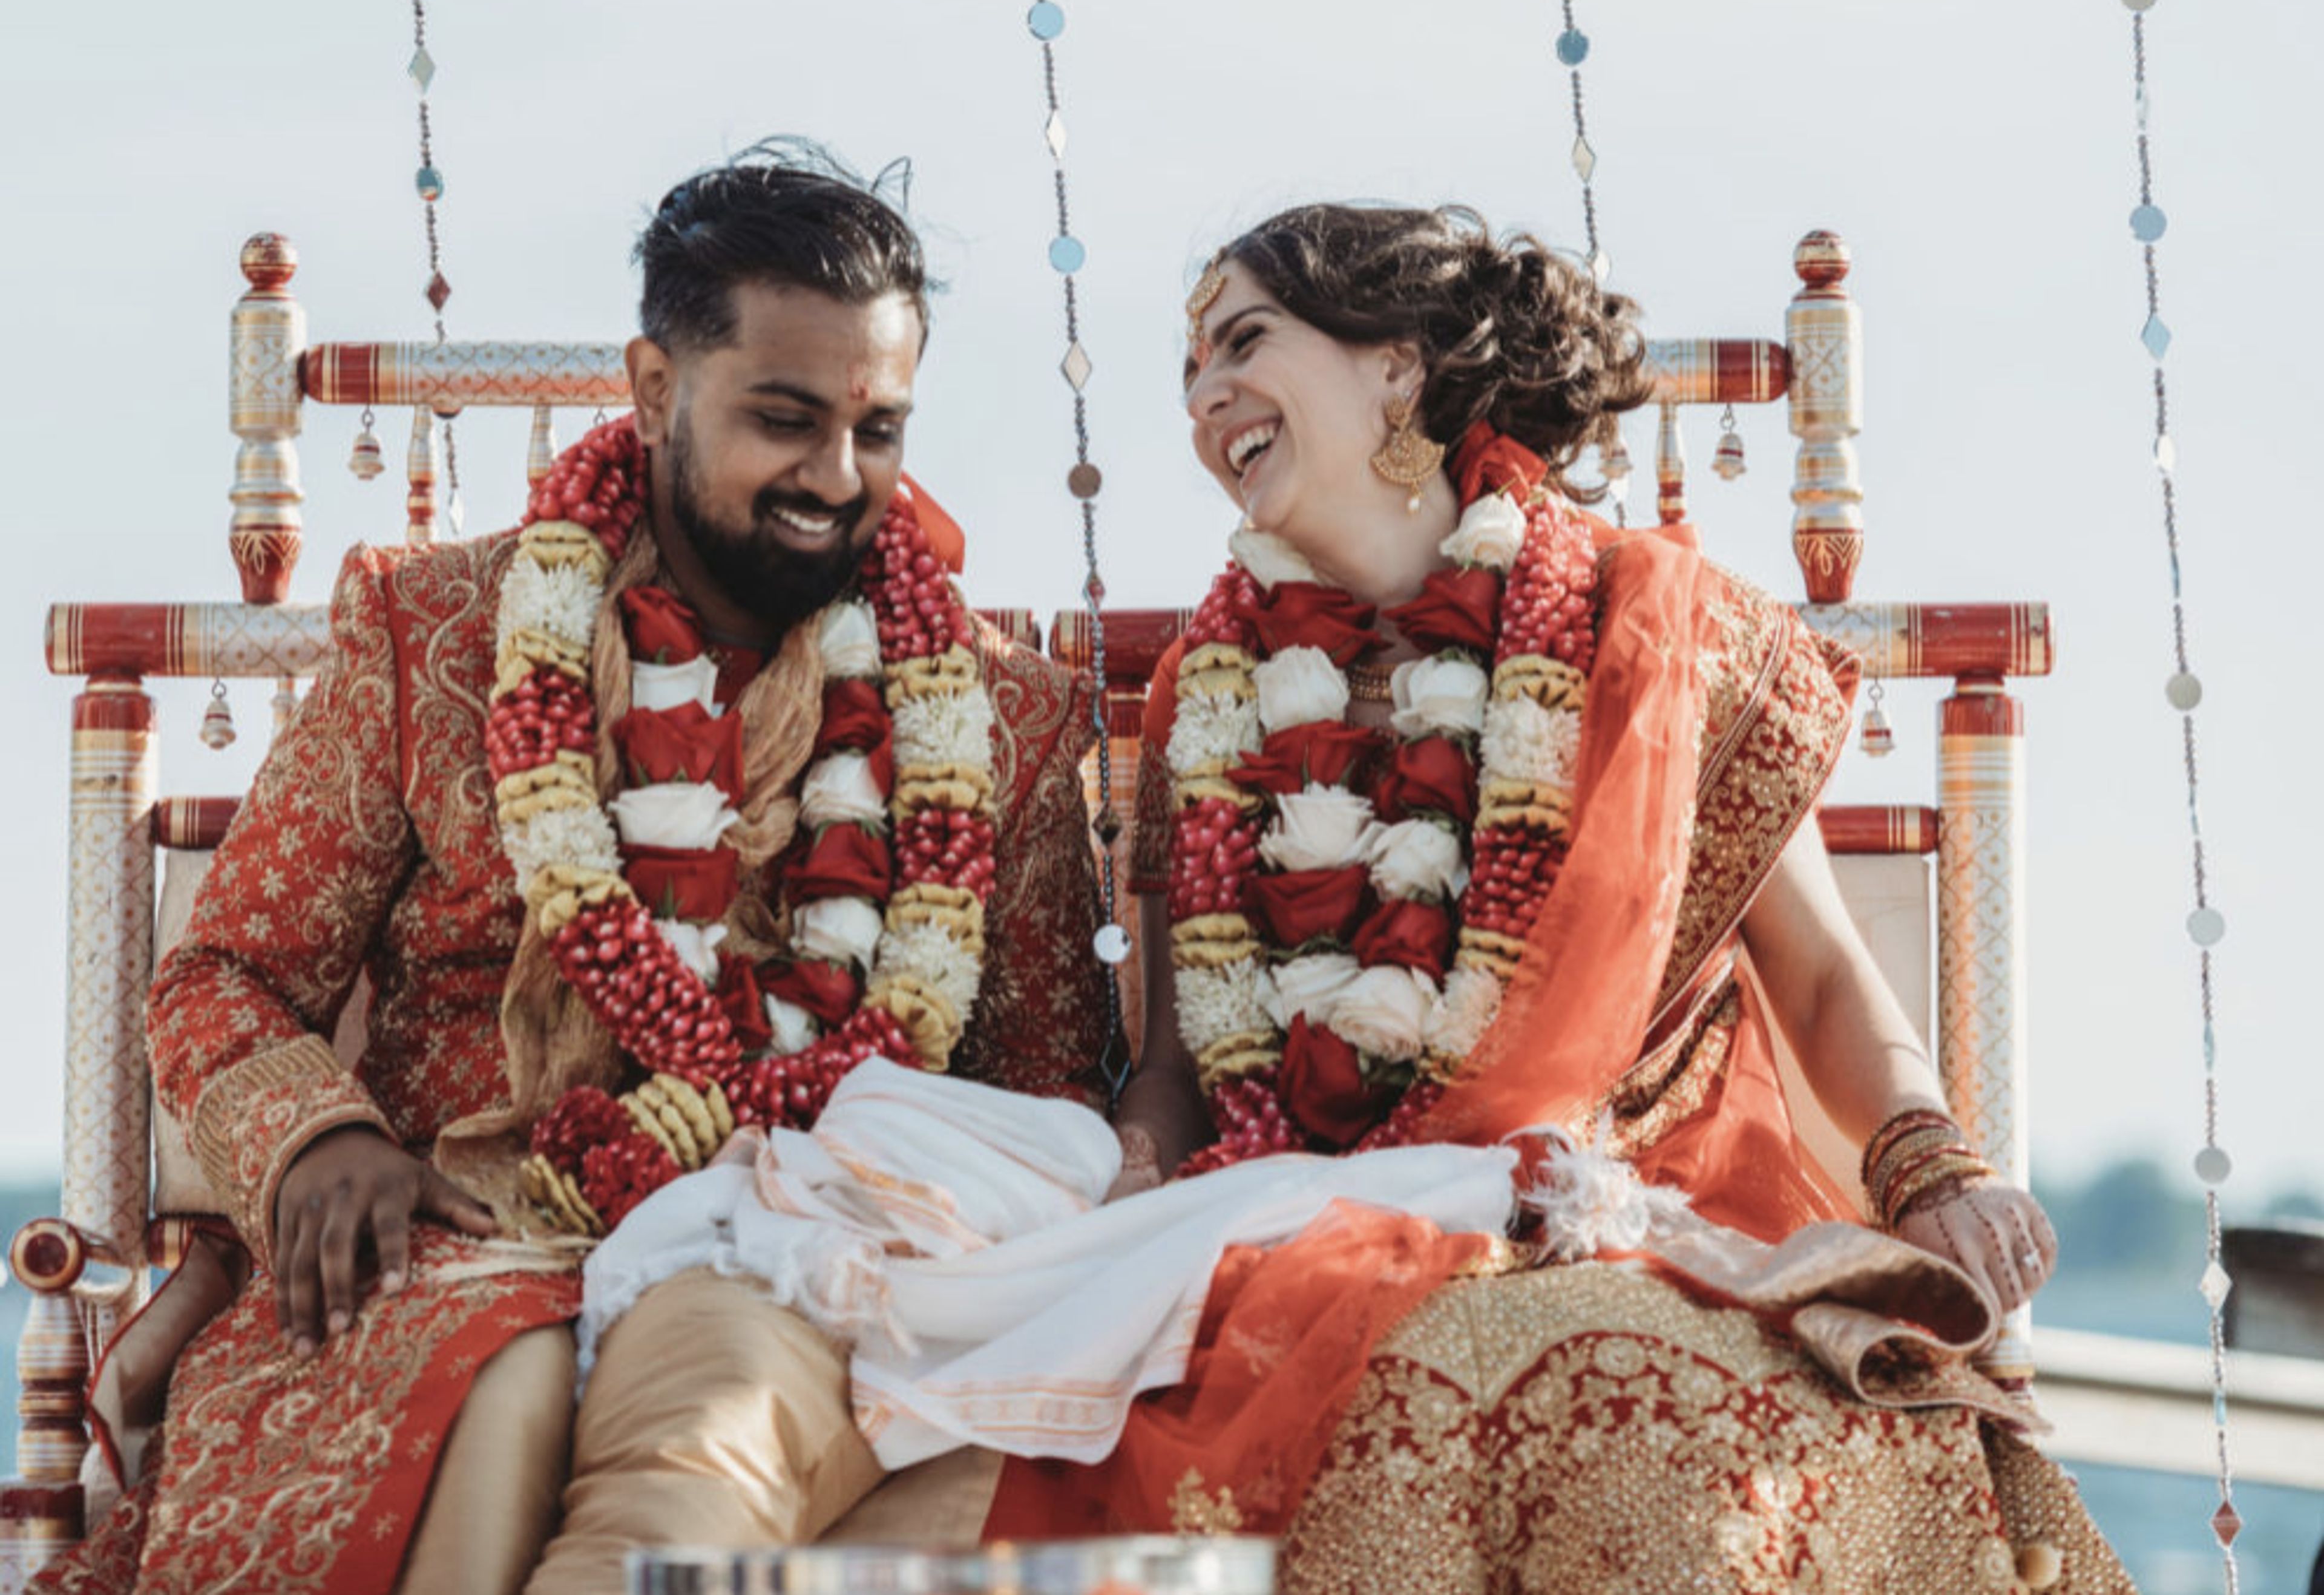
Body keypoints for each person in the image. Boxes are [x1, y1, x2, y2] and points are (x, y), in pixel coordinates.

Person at [988, 202, 2135, 1592]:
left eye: (1243, 341)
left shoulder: (1654, 626)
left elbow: (1824, 974)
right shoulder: (1205, 700)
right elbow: (1176, 1064)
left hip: (1622, 1215)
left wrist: (1929, 1164)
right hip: (1297, 1238)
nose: (1202, 396)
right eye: (1188, 370)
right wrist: (1133, 1197)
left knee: (1561, 1387)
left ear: (1398, 370)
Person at [33, 143, 1110, 1595]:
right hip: (469, 1241)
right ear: (657, 389)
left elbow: (1042, 1089)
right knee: (512, 1378)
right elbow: (225, 976)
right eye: (785, 420)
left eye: (879, 430)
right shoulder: (440, 634)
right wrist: (319, 1139)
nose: (836, 478)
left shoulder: (994, 718)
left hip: (809, 1262)